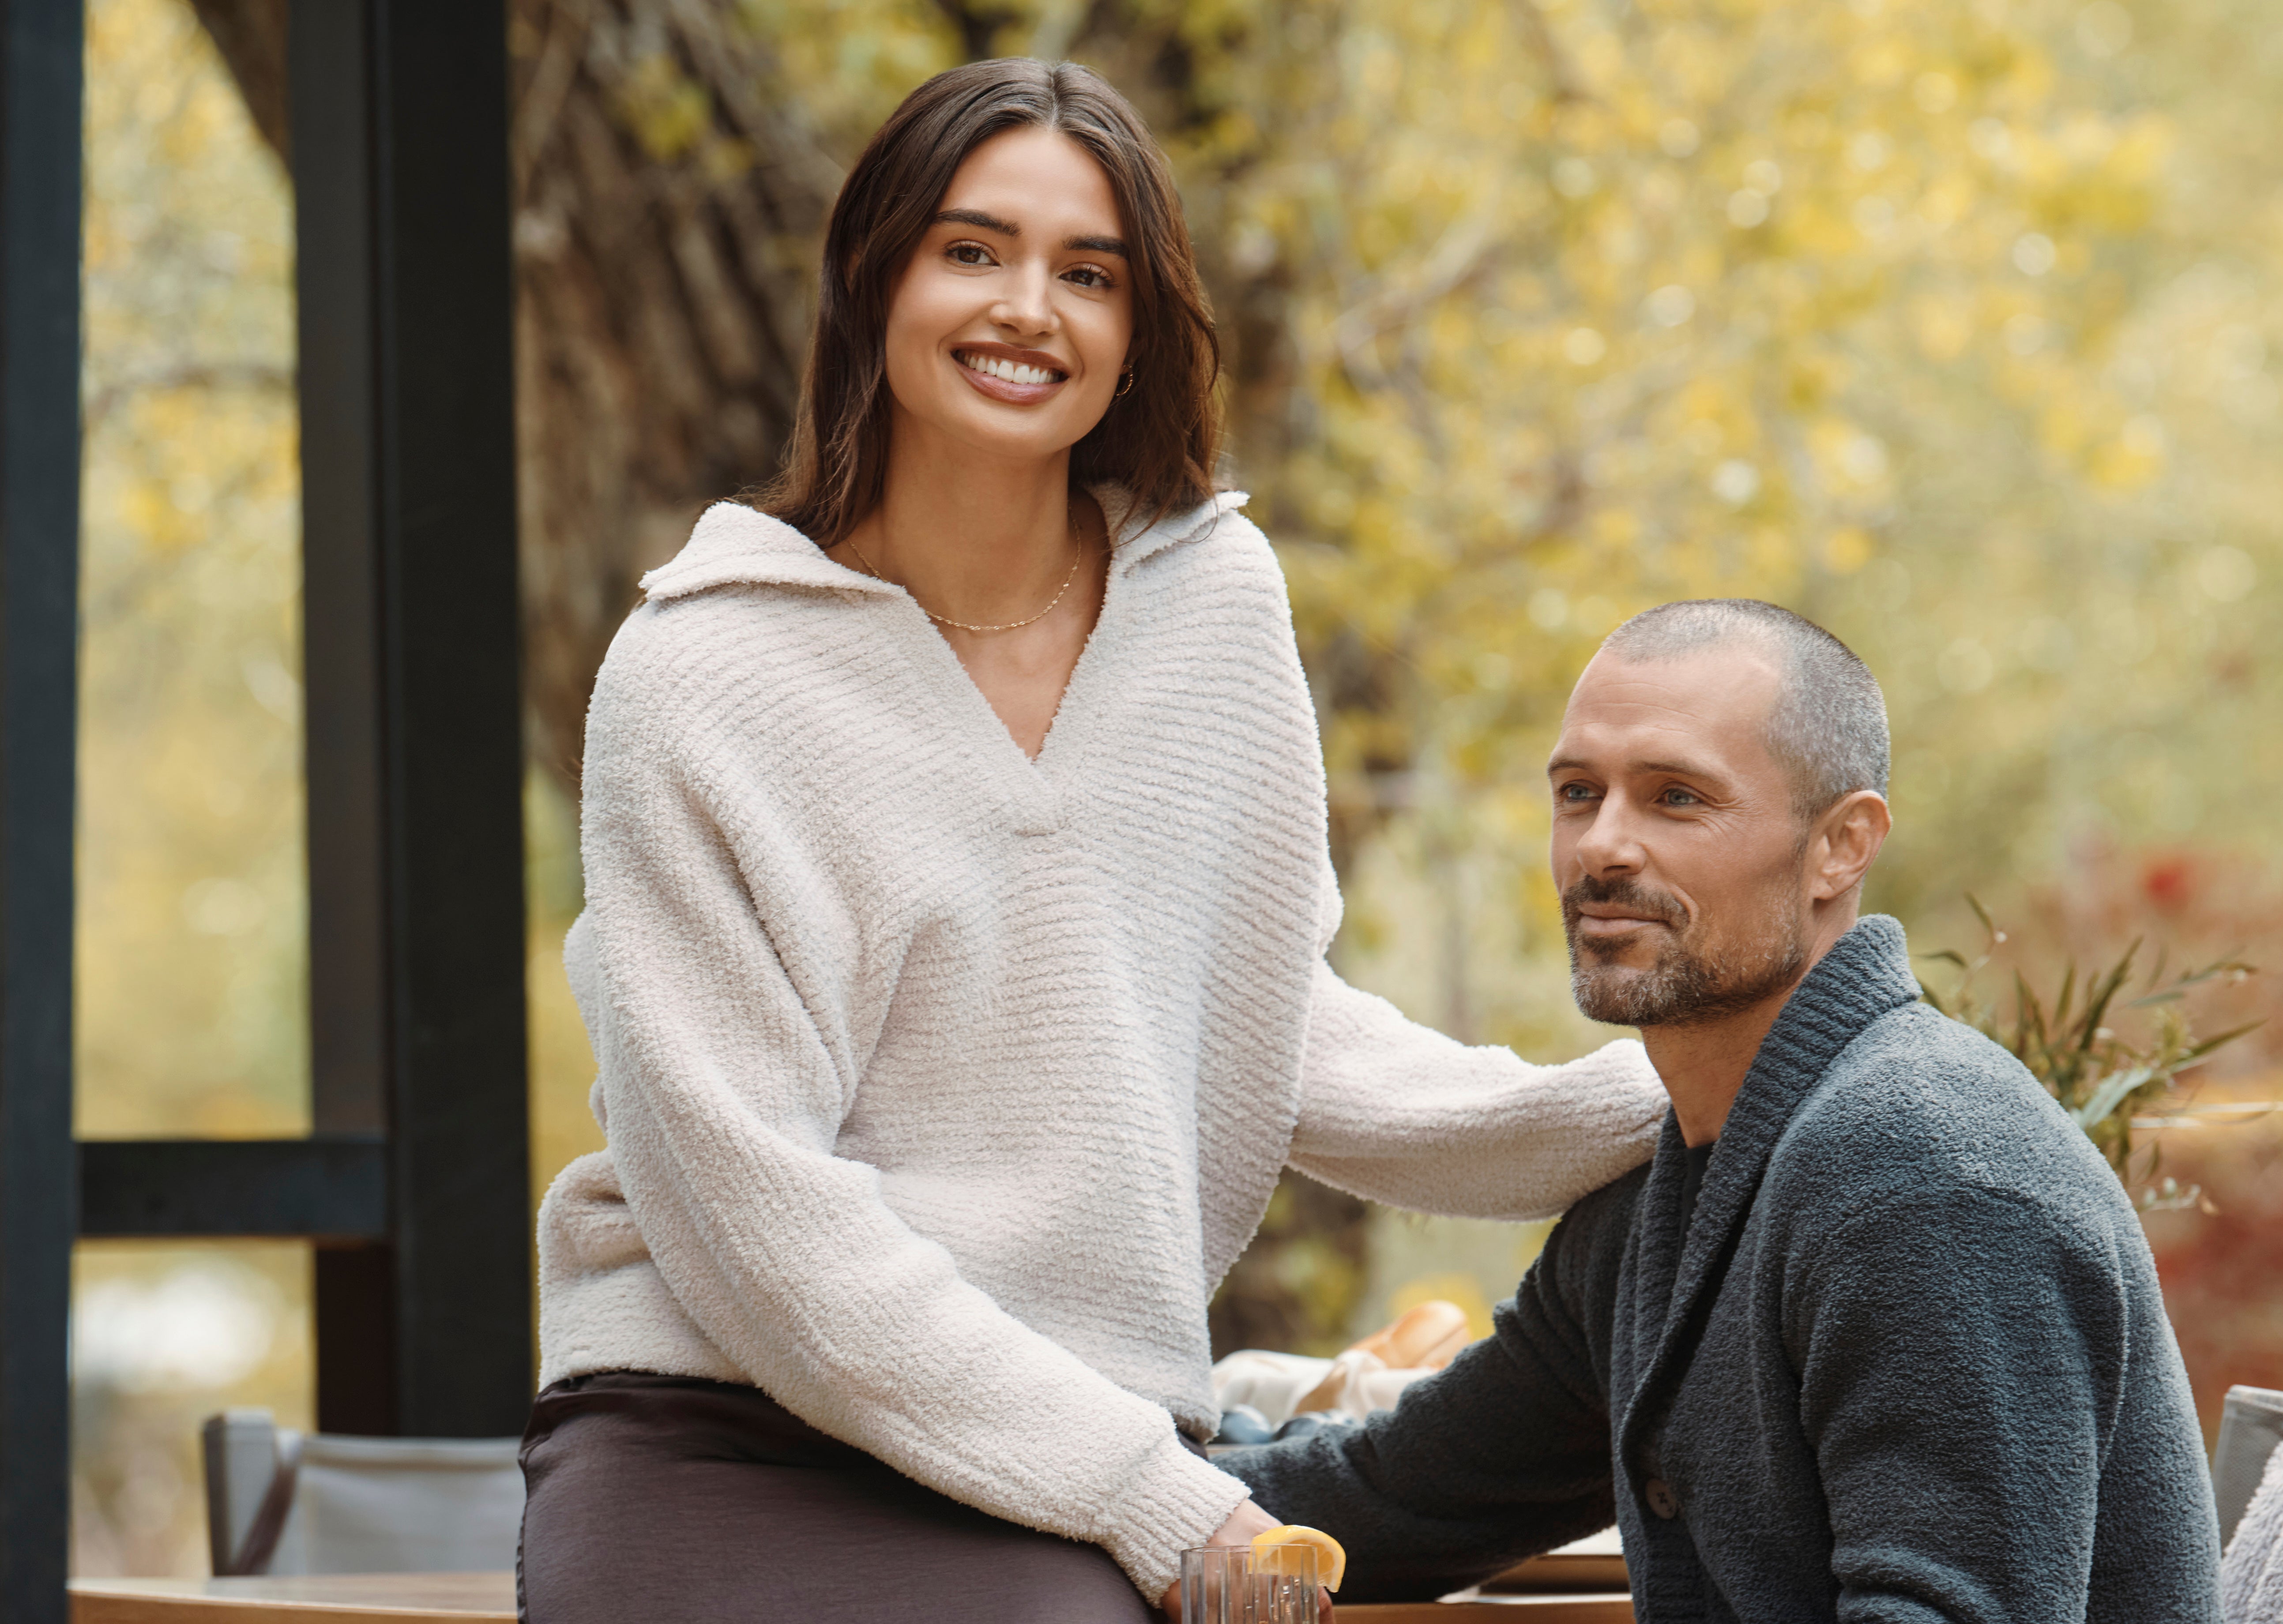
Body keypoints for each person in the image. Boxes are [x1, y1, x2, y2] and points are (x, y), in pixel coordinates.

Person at [515, 59, 1666, 1624]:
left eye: (1089, 273)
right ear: (876, 275)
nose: (1027, 310)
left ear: (1140, 330)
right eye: (972, 250)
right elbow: (745, 1198)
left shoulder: (1215, 601)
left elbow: (1253, 1022)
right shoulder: (701, 670)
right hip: (726, 1417)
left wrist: (1666, 1092)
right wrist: (1147, 1491)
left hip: (1073, 1434)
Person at [1223, 599, 2223, 1622]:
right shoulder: (1661, 1205)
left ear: (1842, 845)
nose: (1601, 848)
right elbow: (1389, 1501)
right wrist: (1095, 1481)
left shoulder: (1923, 1179)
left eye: (1676, 798)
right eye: (1578, 793)